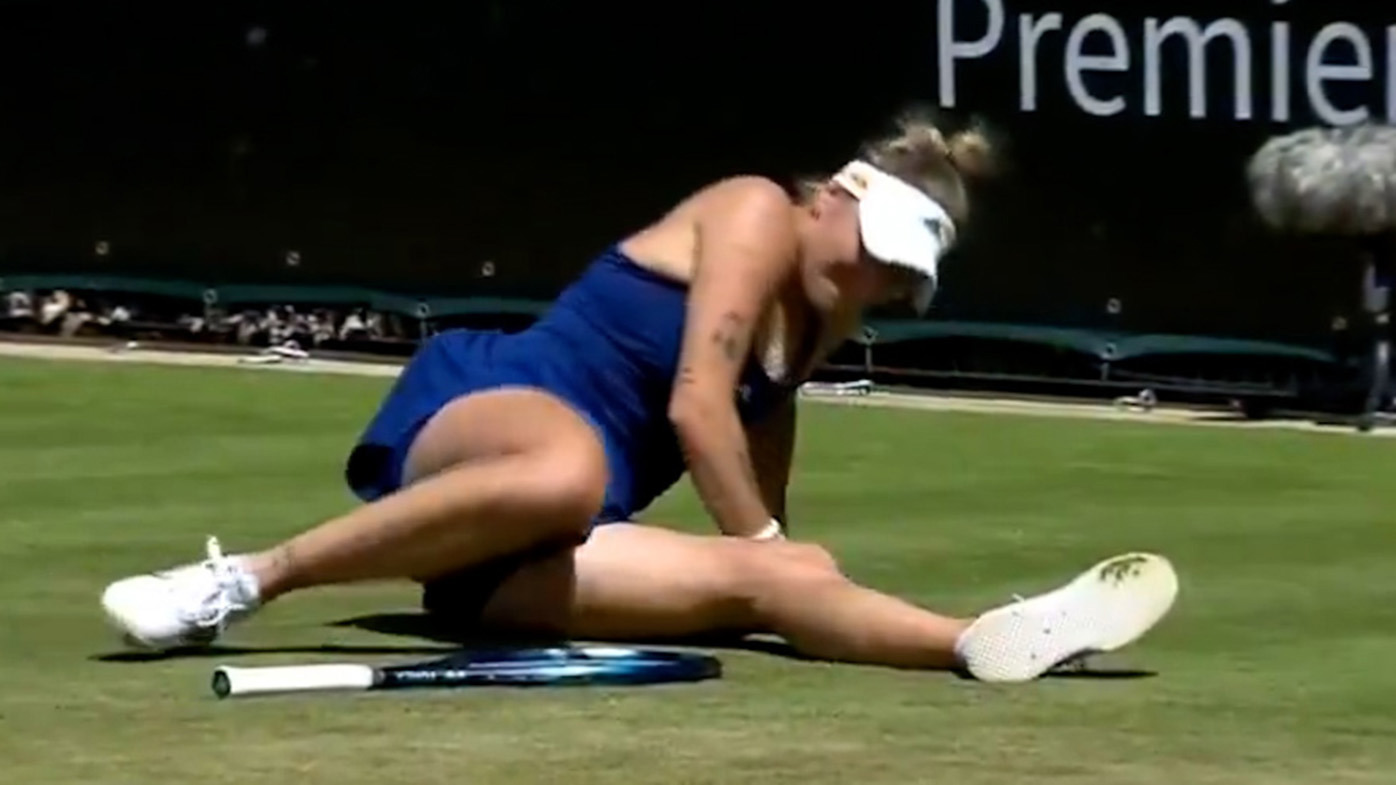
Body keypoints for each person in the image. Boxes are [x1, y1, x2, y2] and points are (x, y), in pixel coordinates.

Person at [100, 112, 1178, 683]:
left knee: (765, 584)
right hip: (491, 416)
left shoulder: (813, 328)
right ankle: (245, 578)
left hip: (523, 554)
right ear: (834, 198)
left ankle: (980, 638)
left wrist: (776, 560)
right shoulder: (757, 210)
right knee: (574, 473)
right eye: (876, 257)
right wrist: (760, 537)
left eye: (899, 281)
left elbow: (760, 486)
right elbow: (696, 405)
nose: (876, 285)